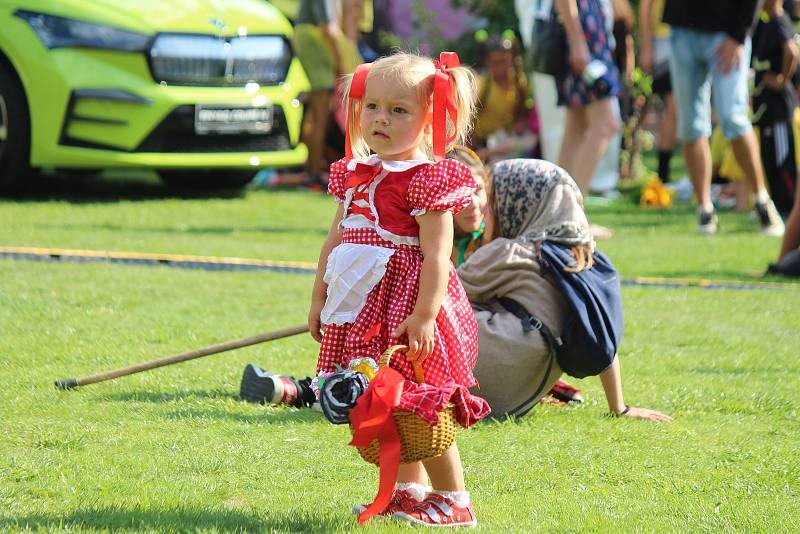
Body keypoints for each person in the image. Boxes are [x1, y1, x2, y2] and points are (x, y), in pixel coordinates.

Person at [308, 52, 490, 527]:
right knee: (382, 400)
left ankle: (454, 499)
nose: (381, 119)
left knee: (421, 405)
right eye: (372, 107)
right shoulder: (356, 173)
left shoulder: (427, 179)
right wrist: (319, 298)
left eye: (399, 110)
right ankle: (408, 490)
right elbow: (336, 240)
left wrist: (426, 315)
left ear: (430, 117)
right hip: (362, 309)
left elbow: (437, 256)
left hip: (409, 308)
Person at [458, 158, 672, 422]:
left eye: (492, 201)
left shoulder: (511, 252)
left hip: (484, 388)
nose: (486, 211)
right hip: (519, 399)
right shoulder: (578, 258)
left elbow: (439, 296)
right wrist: (620, 407)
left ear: (515, 203)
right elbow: (601, 332)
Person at [663, 0, 786, 235]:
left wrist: (739, 34)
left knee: (733, 118)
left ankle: (761, 201)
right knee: (691, 126)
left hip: (727, 33)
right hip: (683, 29)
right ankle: (704, 210)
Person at [553, 0, 622, 196]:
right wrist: (577, 41)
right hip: (584, 36)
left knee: (576, 128)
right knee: (606, 124)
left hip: (586, 33)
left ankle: (557, 210)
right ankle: (571, 212)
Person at [752, 0, 799, 216]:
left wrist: (782, 79)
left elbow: (792, 51)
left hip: (779, 107)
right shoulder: (765, 23)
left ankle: (789, 206)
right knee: (769, 158)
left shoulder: (779, 21)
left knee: (782, 161)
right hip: (766, 108)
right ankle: (776, 206)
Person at [292, 0, 344, 187]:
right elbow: (327, 26)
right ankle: (313, 172)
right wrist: (342, 57)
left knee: (314, 113)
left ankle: (309, 168)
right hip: (315, 40)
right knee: (320, 114)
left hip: (306, 37)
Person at [471, 33, 537, 164]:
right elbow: (469, 120)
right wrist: (477, 150)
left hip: (507, 140)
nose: (502, 68)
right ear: (487, 63)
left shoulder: (519, 82)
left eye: (505, 62)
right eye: (496, 63)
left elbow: (524, 108)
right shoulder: (482, 86)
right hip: (482, 143)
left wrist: (521, 121)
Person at [639, 0, 677, 184]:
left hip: (690, 37)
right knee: (674, 108)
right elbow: (646, 6)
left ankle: (666, 176)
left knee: (678, 110)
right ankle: (663, 175)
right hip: (665, 42)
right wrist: (646, 46)